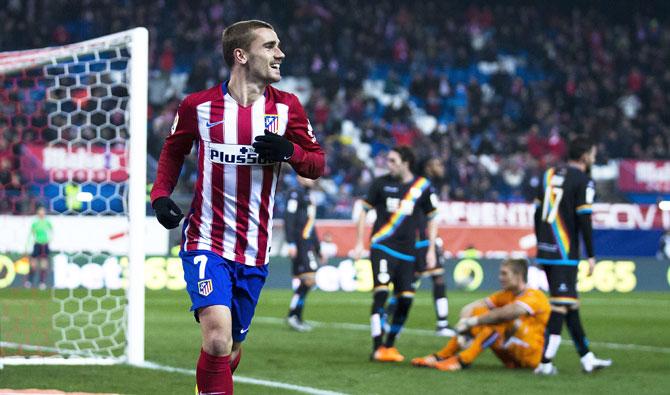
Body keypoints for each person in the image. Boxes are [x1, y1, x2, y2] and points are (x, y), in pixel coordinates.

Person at [150, 20, 324, 394]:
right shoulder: (198, 106)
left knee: (229, 350)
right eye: (271, 46)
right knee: (216, 338)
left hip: (254, 251)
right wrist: (160, 195)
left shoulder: (288, 108)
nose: (281, 54)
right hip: (205, 241)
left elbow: (317, 163)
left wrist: (289, 151)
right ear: (241, 55)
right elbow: (173, 151)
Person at [533, 136, 611, 375]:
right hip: (564, 250)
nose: (595, 158)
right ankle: (545, 363)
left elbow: (537, 212)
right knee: (560, 305)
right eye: (594, 154)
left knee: (570, 304)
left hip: (546, 247)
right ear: (585, 155)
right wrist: (591, 254)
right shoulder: (584, 181)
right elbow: (584, 219)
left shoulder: (548, 174)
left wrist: (541, 241)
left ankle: (587, 359)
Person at [353, 146, 439, 362]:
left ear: (405, 162)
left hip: (408, 253)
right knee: (381, 293)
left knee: (406, 300)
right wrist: (359, 242)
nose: (388, 164)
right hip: (382, 245)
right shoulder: (380, 184)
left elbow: (433, 217)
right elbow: (363, 210)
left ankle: (389, 346)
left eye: (392, 160)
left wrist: (430, 250)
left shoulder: (422, 186)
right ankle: (377, 347)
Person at [411, 259, 550, 371]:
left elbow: (508, 313)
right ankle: (442, 355)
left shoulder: (534, 296)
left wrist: (472, 322)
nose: (500, 278)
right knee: (481, 313)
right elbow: (471, 307)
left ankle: (463, 360)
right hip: (511, 356)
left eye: (504, 274)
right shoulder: (506, 295)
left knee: (498, 319)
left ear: (519, 276)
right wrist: (464, 328)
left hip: (531, 356)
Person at [386, 158, 453, 336]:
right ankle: (442, 324)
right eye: (438, 164)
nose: (441, 167)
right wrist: (432, 242)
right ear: (428, 166)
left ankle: (388, 316)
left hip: (421, 239)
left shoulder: (425, 185)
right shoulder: (422, 185)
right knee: (426, 280)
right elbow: (427, 216)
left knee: (416, 281)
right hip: (421, 239)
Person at [284, 175, 325, 332]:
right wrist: (291, 242)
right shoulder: (295, 193)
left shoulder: (308, 195)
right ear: (298, 177)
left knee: (306, 280)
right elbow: (289, 218)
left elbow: (311, 226)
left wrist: (318, 248)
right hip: (300, 243)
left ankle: (295, 315)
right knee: (309, 279)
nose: (311, 178)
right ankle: (294, 316)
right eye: (306, 175)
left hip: (307, 242)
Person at [26, 206, 53, 290]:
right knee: (33, 264)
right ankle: (30, 281)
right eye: (40, 211)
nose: (41, 212)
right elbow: (32, 233)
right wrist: (29, 243)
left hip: (45, 245)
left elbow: (52, 232)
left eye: (43, 211)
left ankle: (42, 282)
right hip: (37, 244)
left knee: (43, 264)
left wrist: (49, 240)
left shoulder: (47, 222)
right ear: (38, 212)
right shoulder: (35, 222)